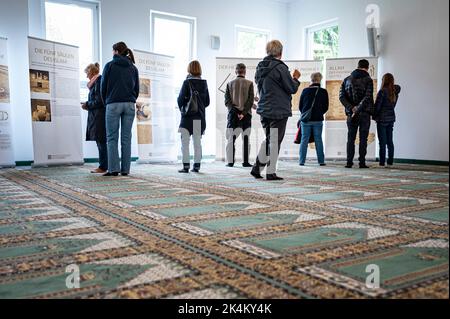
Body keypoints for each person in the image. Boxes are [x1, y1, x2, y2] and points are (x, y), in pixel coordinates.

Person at [251, 40, 301, 181]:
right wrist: (296, 78)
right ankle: (270, 172)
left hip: (264, 110)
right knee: (274, 141)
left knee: (269, 140)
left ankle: (257, 168)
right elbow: (292, 88)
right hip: (278, 110)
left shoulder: (260, 67)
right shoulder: (280, 68)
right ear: (280, 52)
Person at [101, 42, 139, 177]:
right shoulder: (133, 68)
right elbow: (137, 89)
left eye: (112, 50)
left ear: (116, 51)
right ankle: (125, 170)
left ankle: (113, 169)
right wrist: (131, 99)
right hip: (129, 105)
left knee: (112, 138)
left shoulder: (109, 65)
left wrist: (106, 101)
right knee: (126, 138)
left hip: (113, 104)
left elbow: (103, 87)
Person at [339, 59, 374, 169]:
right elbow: (367, 97)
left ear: (358, 66)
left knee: (351, 138)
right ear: (367, 67)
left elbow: (341, 97)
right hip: (364, 114)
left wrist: (352, 108)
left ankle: (349, 162)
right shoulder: (368, 80)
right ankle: (362, 162)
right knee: (363, 139)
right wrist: (358, 109)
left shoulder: (346, 79)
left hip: (351, 114)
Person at [177, 60, 210, 173]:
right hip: (198, 117)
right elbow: (207, 102)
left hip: (187, 118)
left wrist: (184, 108)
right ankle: (196, 166)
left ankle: (186, 166)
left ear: (189, 69)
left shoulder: (186, 83)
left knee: (184, 143)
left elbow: (180, 100)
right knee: (197, 143)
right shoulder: (204, 83)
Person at [224, 63, 255, 168]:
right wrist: (243, 113)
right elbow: (250, 101)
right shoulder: (250, 83)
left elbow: (227, 102)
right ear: (245, 71)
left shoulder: (229, 84)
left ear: (235, 71)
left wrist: (236, 112)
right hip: (246, 116)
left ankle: (230, 162)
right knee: (246, 139)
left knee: (231, 139)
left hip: (233, 115)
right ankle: (245, 162)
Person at [81, 63, 107, 174]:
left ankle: (103, 166)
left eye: (87, 73)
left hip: (99, 117)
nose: (86, 76)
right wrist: (87, 105)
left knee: (101, 142)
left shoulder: (98, 81)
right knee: (100, 142)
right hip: (97, 115)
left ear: (91, 72)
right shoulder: (96, 82)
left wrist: (87, 104)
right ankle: (104, 165)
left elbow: (99, 101)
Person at [299, 72, 329, 166]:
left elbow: (300, 106)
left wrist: (306, 114)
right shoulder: (323, 92)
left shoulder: (305, 91)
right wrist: (319, 113)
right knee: (318, 140)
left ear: (311, 79)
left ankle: (302, 161)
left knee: (304, 140)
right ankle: (321, 161)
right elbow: (326, 107)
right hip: (318, 120)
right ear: (320, 79)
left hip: (306, 120)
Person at [373, 73, 401, 167]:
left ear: (384, 80)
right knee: (390, 141)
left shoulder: (382, 92)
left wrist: (374, 116)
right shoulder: (394, 92)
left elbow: (377, 107)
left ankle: (382, 163)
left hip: (382, 119)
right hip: (391, 119)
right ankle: (390, 162)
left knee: (382, 142)